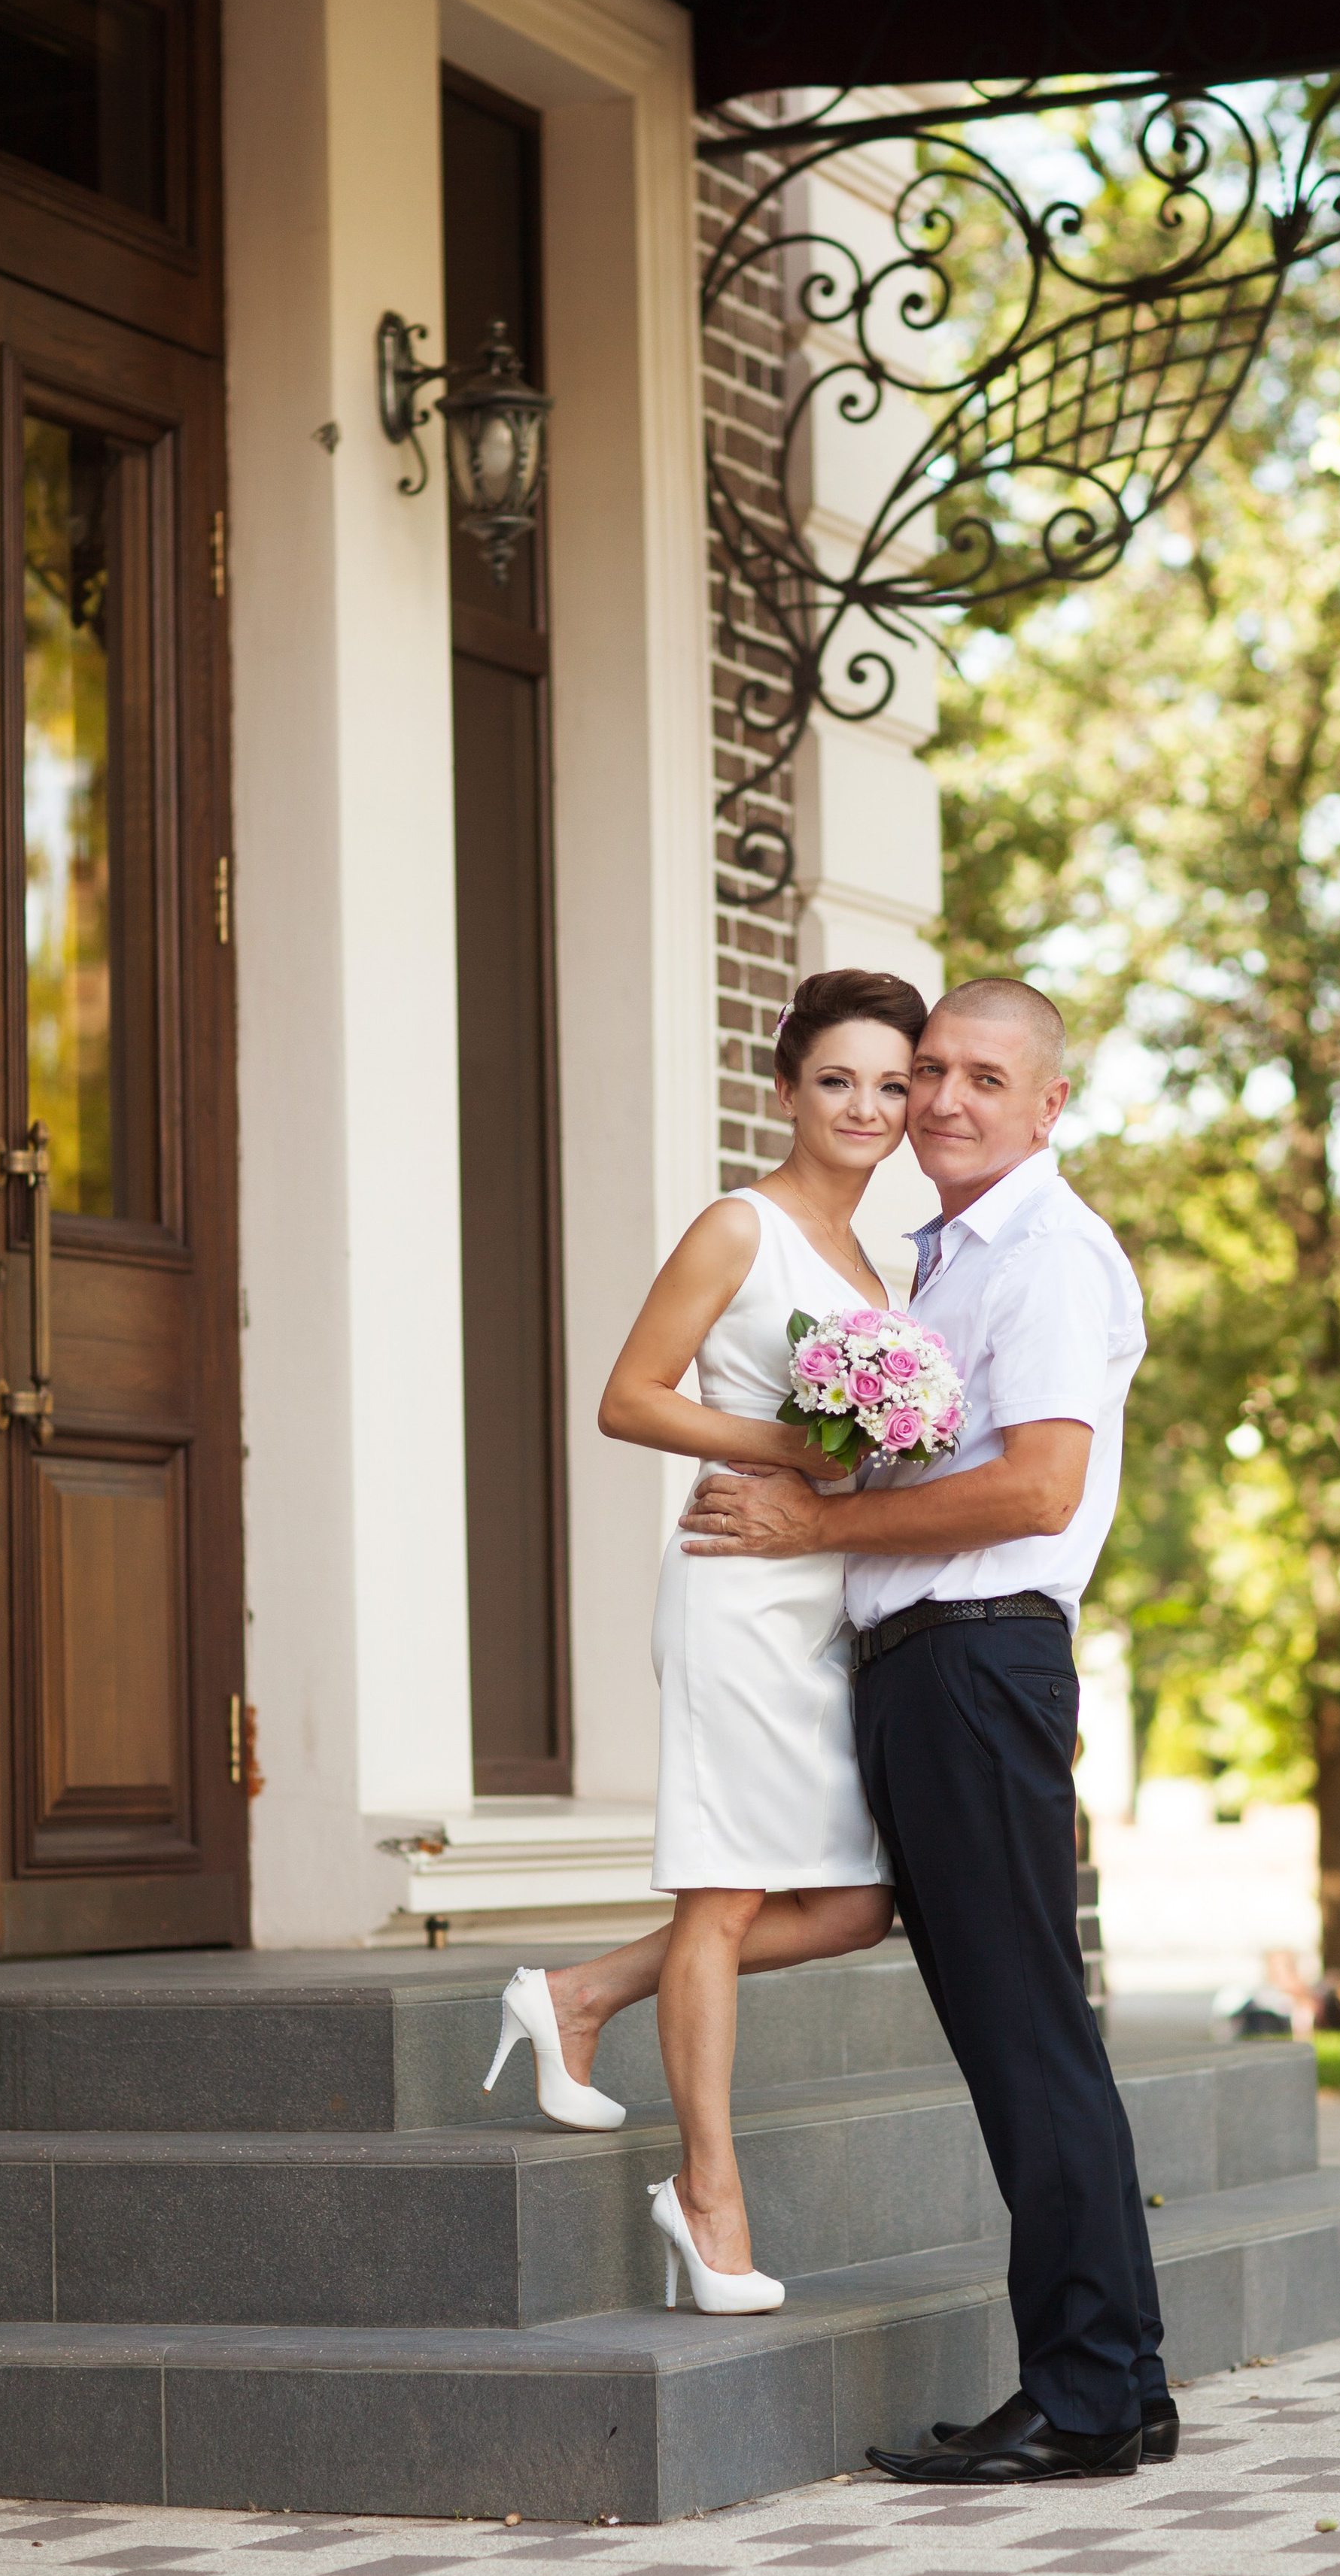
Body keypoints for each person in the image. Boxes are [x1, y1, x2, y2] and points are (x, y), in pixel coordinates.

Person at [679, 977, 1173, 2483]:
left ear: (1046, 1105)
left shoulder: (1041, 1257)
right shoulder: (941, 1261)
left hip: (974, 1663)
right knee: (1018, 2035)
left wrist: (810, 1519)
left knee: (1025, 2039)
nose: (943, 1101)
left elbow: (1031, 1490)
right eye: (928, 1074)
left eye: (979, 1077)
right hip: (926, 1666)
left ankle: (1085, 2397)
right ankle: (1118, 2385)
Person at [480, 967, 926, 2316]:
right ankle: (710, 2196)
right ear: (783, 1086)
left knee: (856, 1901)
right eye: (837, 1079)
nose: (867, 1107)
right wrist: (785, 1446)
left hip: (822, 1595)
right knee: (723, 1900)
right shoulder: (741, 1227)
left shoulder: (881, 1262)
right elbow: (628, 1396)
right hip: (736, 1584)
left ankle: (575, 1995)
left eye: (892, 1085)